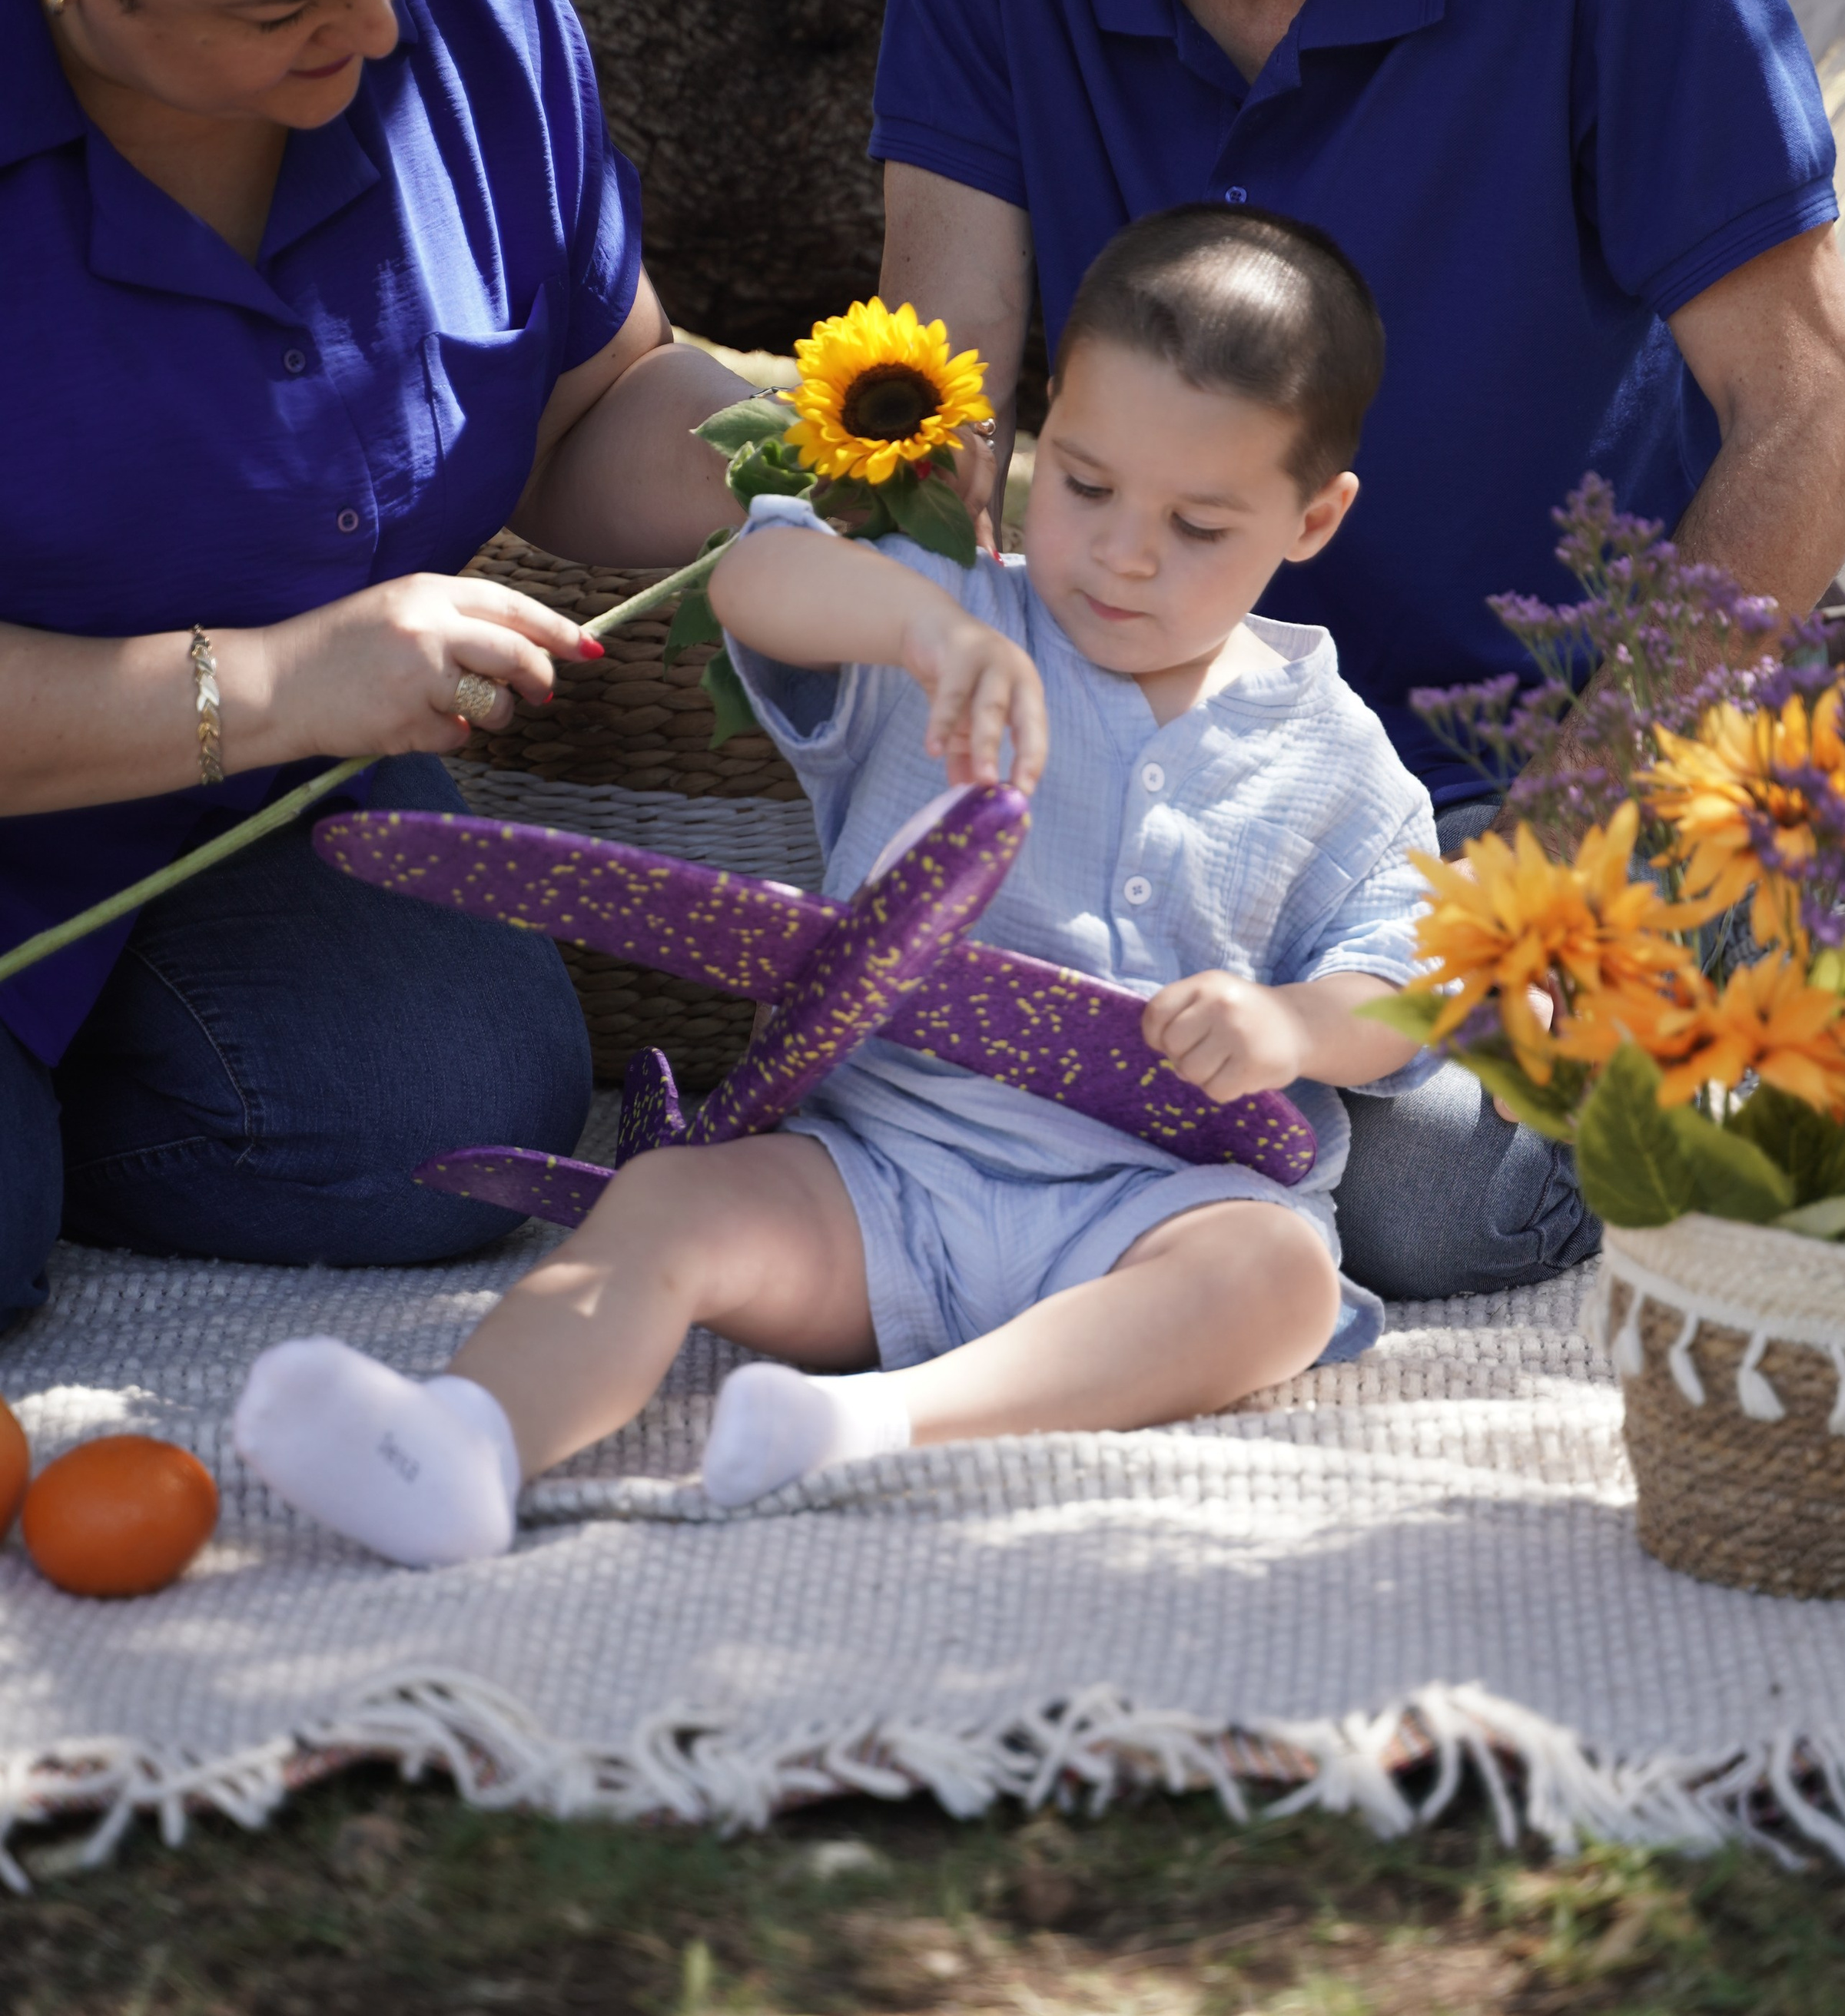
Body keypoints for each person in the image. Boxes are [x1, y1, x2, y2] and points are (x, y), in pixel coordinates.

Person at [874, 0, 1845, 1301]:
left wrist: (1554, 860)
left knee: (1420, 1186)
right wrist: (970, 774)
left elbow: (1814, 422)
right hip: (1186, 749)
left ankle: (1793, 1014)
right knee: (963, 1069)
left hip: (1558, 759)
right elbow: (940, 384)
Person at [231, 207, 1439, 1567]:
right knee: (670, 1204)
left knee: (1279, 1277)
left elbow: (1412, 984)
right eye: (1086, 484)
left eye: (1199, 524)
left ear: (1314, 517)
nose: (1123, 553)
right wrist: (921, 628)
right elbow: (761, 571)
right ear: (1043, 428)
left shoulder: (1335, 754)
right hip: (872, 1177)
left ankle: (870, 1428)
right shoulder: (951, 615)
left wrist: (1292, 1026)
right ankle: (464, 1440)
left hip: (1148, 1208)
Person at [0, 0, 752, 1328]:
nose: (379, 27)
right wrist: (277, 686)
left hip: (239, 804)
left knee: (445, 1121)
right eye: (279, 6)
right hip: (145, 747)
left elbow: (594, 395)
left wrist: (806, 454)